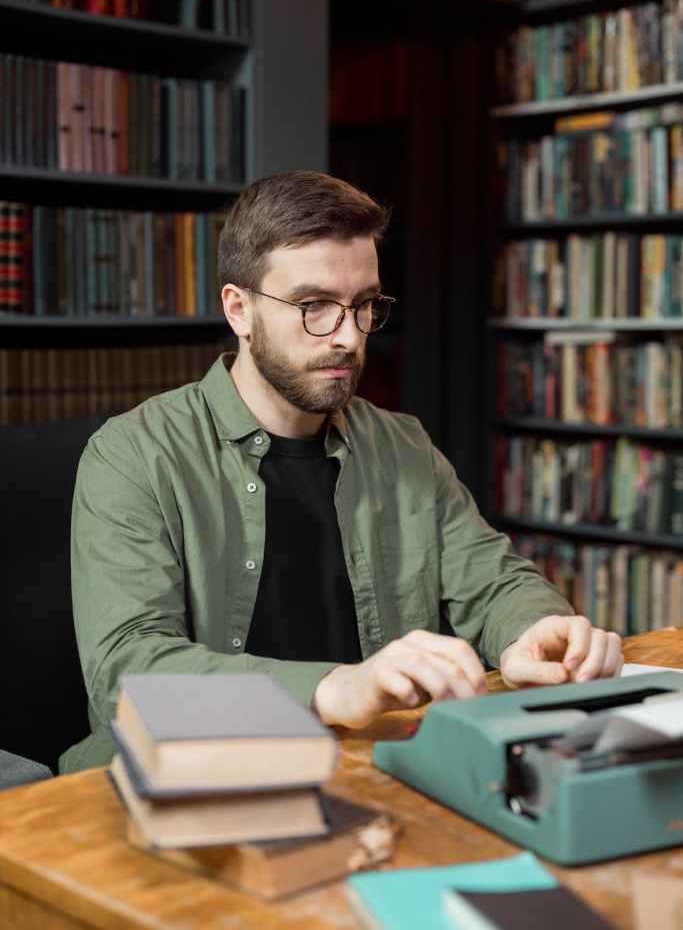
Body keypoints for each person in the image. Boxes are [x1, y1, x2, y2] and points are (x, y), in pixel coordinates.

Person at [60, 171, 622, 772]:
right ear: (239, 309)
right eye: (315, 307)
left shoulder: (402, 444)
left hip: (368, 769)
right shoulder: (132, 455)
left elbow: (493, 581)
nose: (350, 337)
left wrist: (535, 629)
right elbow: (127, 672)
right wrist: (336, 688)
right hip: (184, 779)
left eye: (364, 305)